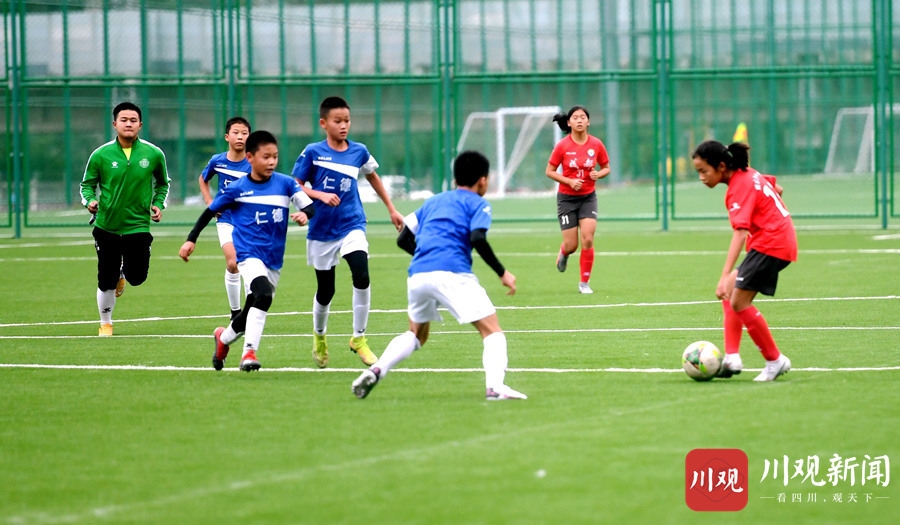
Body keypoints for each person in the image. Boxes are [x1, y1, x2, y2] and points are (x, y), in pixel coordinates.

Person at [351, 150, 527, 401]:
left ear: (455, 179)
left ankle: (378, 369)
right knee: (492, 331)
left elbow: (404, 238)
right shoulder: (478, 203)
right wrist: (502, 273)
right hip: (453, 273)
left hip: (419, 274)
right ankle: (495, 387)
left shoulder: (433, 201)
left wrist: (426, 256)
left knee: (416, 334)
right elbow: (477, 238)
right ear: (483, 180)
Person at [180, 130, 315, 372]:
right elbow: (209, 211)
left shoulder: (285, 183)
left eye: (275, 156)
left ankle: (223, 339)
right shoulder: (237, 189)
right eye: (266, 157)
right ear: (251, 158)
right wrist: (191, 239)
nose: (272, 162)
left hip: (274, 256)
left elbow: (310, 207)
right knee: (262, 294)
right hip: (248, 252)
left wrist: (304, 214)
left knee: (255, 303)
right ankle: (249, 353)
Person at [291, 96, 405, 368]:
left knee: (361, 274)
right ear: (324, 123)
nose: (344, 126)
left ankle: (359, 338)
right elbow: (294, 185)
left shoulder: (359, 151)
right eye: (337, 121)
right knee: (326, 290)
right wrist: (319, 195)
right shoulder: (312, 152)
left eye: (347, 121)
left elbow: (372, 175)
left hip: (352, 223)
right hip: (321, 229)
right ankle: (319, 336)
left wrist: (391, 208)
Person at [692, 140, 796, 382]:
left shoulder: (738, 186)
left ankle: (775, 360)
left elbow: (740, 232)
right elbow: (777, 190)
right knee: (732, 291)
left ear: (720, 166)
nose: (701, 177)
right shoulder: (748, 173)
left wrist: (723, 274)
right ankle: (732, 357)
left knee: (737, 300)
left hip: (771, 244)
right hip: (776, 239)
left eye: (703, 171)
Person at [80, 101, 170, 336]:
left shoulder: (153, 153)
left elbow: (163, 184)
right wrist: (89, 201)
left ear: (140, 125)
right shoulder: (100, 154)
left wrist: (158, 204)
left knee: (137, 277)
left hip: (138, 226)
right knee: (105, 279)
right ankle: (106, 323)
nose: (128, 124)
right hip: (106, 226)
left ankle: (123, 273)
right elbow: (87, 185)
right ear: (114, 124)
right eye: (123, 120)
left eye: (133, 120)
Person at [545, 105, 611, 294]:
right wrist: (568, 181)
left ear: (588, 121)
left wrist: (599, 174)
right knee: (572, 245)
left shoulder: (596, 144)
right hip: (566, 199)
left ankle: (584, 283)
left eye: (583, 117)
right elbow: (549, 171)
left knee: (588, 239)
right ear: (569, 122)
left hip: (588, 198)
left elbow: (607, 168)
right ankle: (564, 252)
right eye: (575, 118)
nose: (580, 120)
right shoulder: (562, 146)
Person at [198, 116, 253, 320]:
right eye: (236, 133)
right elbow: (203, 180)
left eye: (244, 133)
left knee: (248, 264)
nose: (240, 137)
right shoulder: (218, 161)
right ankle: (235, 312)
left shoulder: (253, 161)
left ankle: (248, 313)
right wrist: (210, 202)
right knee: (233, 263)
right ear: (227, 136)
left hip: (249, 221)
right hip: (226, 219)